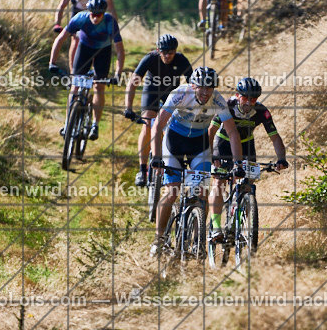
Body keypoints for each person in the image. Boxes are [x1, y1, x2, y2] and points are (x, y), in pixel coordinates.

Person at [149, 67, 244, 257]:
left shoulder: (218, 100)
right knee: (172, 191)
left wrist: (239, 164)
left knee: (202, 192)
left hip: (198, 146)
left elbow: (232, 132)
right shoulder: (179, 94)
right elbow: (158, 125)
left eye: (209, 88)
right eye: (201, 87)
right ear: (193, 85)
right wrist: (157, 156)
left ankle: (197, 238)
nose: (205, 92)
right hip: (173, 143)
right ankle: (159, 239)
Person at [208, 77, 289, 243]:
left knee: (247, 185)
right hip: (222, 144)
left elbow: (274, 137)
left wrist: (281, 158)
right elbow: (211, 130)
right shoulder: (227, 106)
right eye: (245, 98)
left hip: (246, 146)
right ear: (238, 95)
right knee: (218, 183)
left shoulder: (261, 111)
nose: (249, 102)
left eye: (253, 99)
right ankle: (215, 227)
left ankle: (241, 217)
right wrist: (212, 155)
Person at [49, 0, 125, 141]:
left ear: (103, 13)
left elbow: (120, 50)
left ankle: (95, 125)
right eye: (93, 14)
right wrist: (52, 62)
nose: (95, 18)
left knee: (99, 86)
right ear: (88, 12)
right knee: (75, 86)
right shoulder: (80, 18)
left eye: (99, 15)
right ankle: (67, 123)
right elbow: (60, 39)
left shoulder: (110, 22)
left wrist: (118, 74)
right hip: (84, 49)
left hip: (103, 52)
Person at [123, 34, 193, 187]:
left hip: (171, 94)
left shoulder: (181, 60)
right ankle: (142, 169)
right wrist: (128, 107)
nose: (167, 55)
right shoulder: (150, 58)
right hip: (152, 91)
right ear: (158, 50)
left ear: (175, 51)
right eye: (164, 52)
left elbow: (193, 85)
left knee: (170, 127)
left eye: (171, 52)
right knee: (147, 125)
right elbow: (133, 83)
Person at [49, 0, 119, 73]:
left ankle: (95, 68)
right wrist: (57, 23)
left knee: (97, 38)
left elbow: (112, 9)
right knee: (76, 39)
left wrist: (114, 26)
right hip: (78, 12)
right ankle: (74, 72)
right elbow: (62, 5)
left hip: (96, 12)